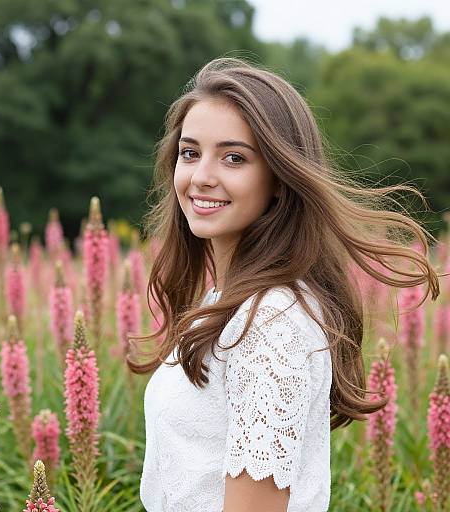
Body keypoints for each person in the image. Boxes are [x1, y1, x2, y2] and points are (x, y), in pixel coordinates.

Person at [126, 57, 440, 512]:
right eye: (190, 153)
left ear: (279, 178)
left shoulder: (270, 323)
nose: (201, 176)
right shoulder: (232, 302)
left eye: (234, 157)